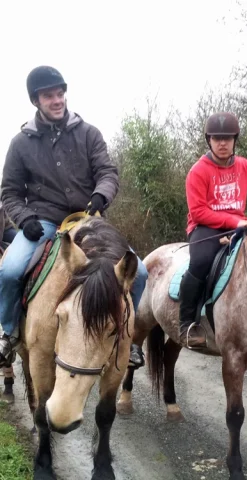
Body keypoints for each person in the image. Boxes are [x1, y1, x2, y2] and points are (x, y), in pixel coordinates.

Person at [0, 66, 147, 366]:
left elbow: (107, 172)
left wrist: (100, 196)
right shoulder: (20, 144)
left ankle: (128, 337)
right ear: (35, 101)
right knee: (10, 271)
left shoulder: (88, 133)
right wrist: (24, 219)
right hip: (42, 222)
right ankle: (8, 331)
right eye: (48, 96)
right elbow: (10, 192)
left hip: (89, 217)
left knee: (141, 273)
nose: (57, 100)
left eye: (60, 93)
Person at [179, 112, 247, 348]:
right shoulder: (198, 171)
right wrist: (235, 223)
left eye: (227, 138)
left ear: (235, 140)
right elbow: (199, 211)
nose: (222, 143)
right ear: (209, 140)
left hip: (240, 224)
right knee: (201, 261)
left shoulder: (244, 166)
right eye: (217, 138)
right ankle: (187, 323)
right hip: (205, 228)